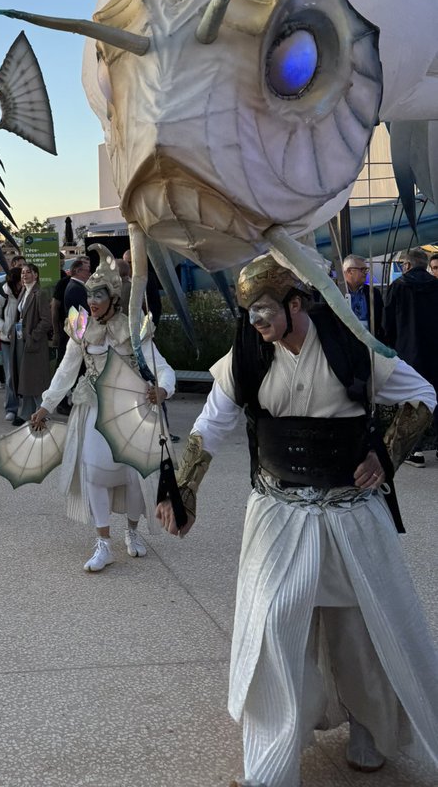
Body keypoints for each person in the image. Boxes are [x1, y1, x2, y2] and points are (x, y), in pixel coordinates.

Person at [157, 254, 438, 787]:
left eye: (264, 310)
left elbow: (423, 395)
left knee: (358, 631)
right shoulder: (247, 354)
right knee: (274, 626)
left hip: (351, 514)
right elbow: (209, 427)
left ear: (294, 304)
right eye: (249, 313)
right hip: (278, 512)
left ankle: (367, 727)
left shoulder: (353, 347)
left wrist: (386, 454)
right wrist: (182, 489)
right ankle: (272, 759)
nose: (256, 322)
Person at [31, 246, 174, 572]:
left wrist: (164, 388)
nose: (92, 302)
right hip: (92, 407)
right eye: (89, 295)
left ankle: (133, 533)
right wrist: (46, 405)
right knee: (94, 471)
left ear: (113, 298)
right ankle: (103, 544)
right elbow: (66, 370)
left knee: (133, 476)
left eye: (99, 296)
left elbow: (163, 367)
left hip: (133, 411)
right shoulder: (80, 327)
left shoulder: (134, 327)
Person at [383, 247, 438, 468]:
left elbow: (388, 325)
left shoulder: (398, 287)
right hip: (435, 352)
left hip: (408, 353)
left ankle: (413, 451)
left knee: (410, 399)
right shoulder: (436, 286)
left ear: (407, 265)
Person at [15, 263, 52, 422]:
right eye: (23, 273)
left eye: (28, 272)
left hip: (34, 343)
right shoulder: (24, 291)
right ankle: (26, 414)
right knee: (27, 380)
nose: (24, 275)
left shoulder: (40, 293)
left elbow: (46, 320)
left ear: (36, 275)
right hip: (22, 340)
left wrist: (33, 336)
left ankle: (42, 414)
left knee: (36, 380)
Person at [0, 266, 22, 422]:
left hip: (24, 340)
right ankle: (11, 407)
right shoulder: (2, 296)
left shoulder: (27, 293)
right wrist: (6, 328)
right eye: (20, 281)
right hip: (8, 340)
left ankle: (27, 407)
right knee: (10, 376)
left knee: (25, 374)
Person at [342, 253, 383, 340]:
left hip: (369, 341)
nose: (365, 273)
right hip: (343, 340)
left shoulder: (374, 293)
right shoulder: (335, 291)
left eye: (366, 270)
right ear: (349, 271)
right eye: (362, 270)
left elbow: (381, 320)